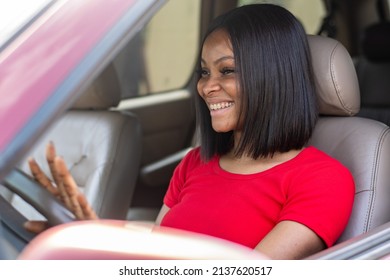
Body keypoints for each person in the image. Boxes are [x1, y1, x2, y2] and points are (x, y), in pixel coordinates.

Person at [25, 4, 355, 260]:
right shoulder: (196, 162)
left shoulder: (324, 180)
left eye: (227, 71)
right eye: (204, 72)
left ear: (273, 77)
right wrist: (90, 239)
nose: (207, 87)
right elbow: (157, 254)